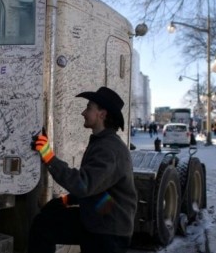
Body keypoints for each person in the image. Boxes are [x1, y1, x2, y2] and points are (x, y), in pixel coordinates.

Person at [29, 87, 138, 253]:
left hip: (108, 233)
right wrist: (65, 200)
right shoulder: (102, 142)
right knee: (44, 224)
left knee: (43, 225)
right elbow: (101, 193)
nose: (83, 113)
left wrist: (47, 155)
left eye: (89, 108)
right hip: (98, 221)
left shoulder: (108, 149)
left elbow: (83, 184)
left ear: (102, 114)